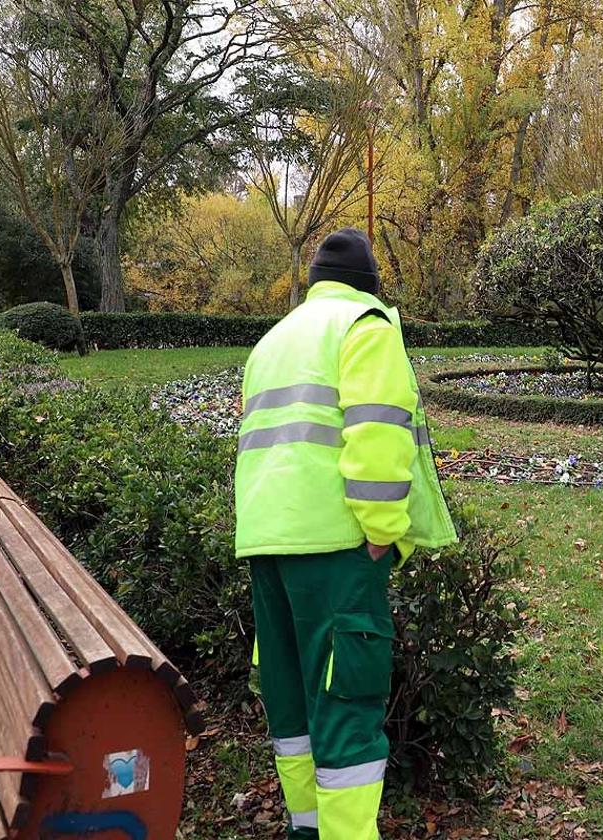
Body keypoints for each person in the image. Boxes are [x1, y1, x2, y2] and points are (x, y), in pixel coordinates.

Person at [234, 228, 458, 839]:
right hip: (336, 547)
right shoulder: (365, 328)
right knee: (346, 705)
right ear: (370, 286)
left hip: (266, 542)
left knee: (293, 703)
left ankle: (306, 829)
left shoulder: (274, 340)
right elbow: (377, 437)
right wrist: (383, 532)